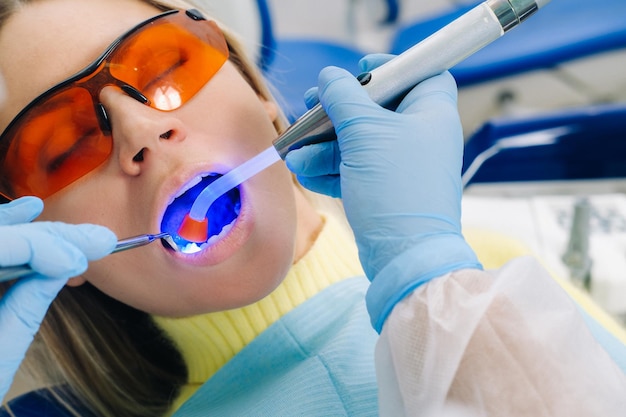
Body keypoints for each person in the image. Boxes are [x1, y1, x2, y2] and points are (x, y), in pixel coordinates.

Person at [0, 0, 625, 416]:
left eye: (165, 64)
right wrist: (428, 278)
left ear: (259, 95)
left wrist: (432, 273)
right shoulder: (454, 277)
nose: (141, 129)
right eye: (62, 145)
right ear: (55, 242)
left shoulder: (484, 260)